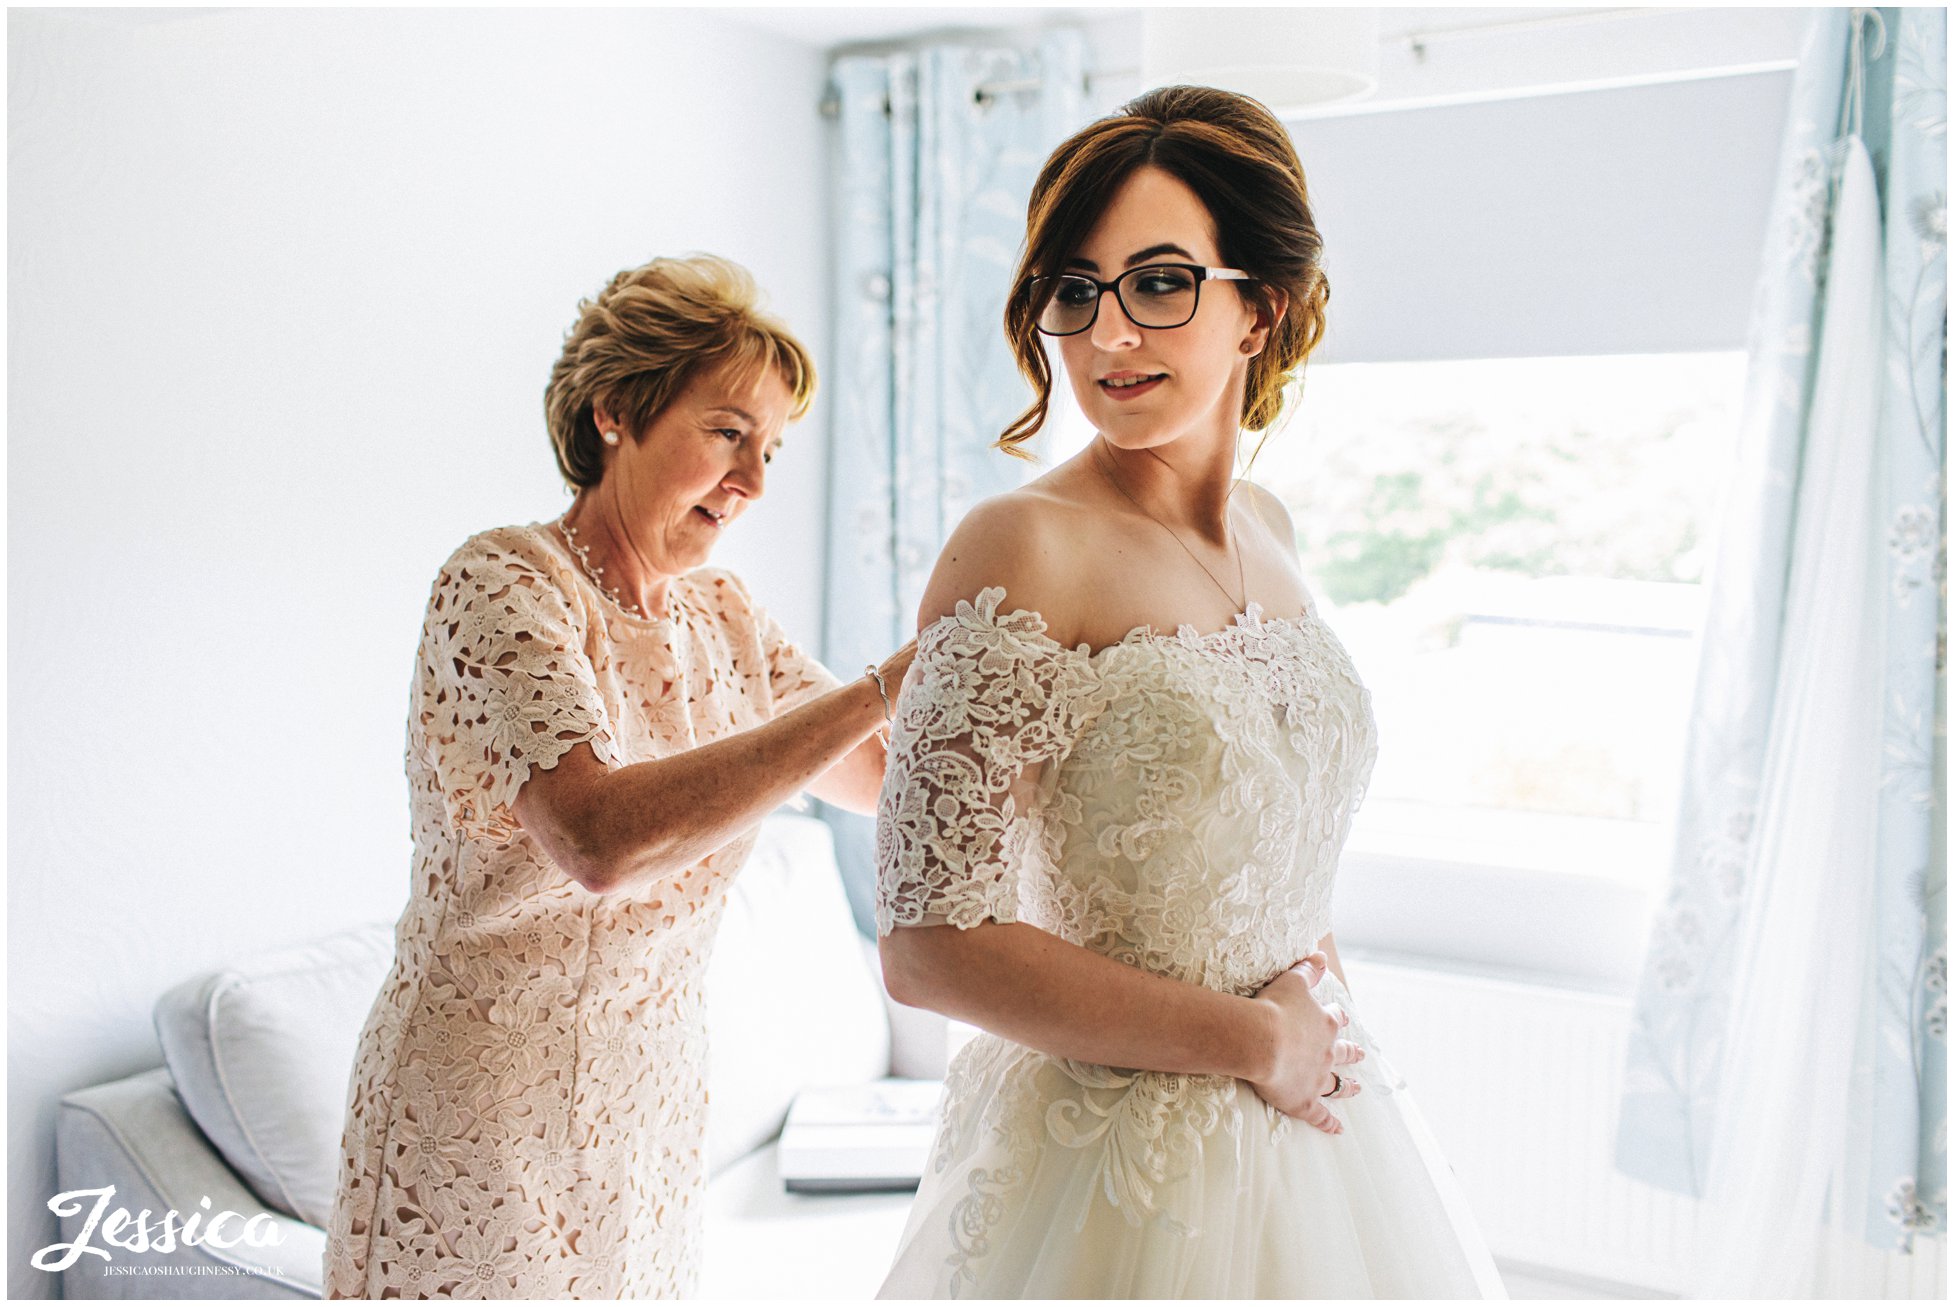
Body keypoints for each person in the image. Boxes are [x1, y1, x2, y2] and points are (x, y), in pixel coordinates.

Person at [872, 86, 1508, 1297]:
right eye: (1075, 290)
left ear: (1261, 307)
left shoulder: (1269, 528)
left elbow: (1273, 834)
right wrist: (1257, 1040)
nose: (1109, 335)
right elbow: (929, 948)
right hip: (1112, 1175)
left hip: (1317, 1140)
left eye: (1160, 282)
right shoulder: (1020, 544)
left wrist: (1313, 1012)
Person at [323, 254, 916, 1299]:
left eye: (770, 448)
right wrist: (878, 684)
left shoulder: (724, 614)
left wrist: (996, 670)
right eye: (728, 432)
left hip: (646, 1109)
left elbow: (878, 779)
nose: (754, 482)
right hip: (482, 1114)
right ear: (616, 410)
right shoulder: (502, 580)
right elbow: (595, 839)